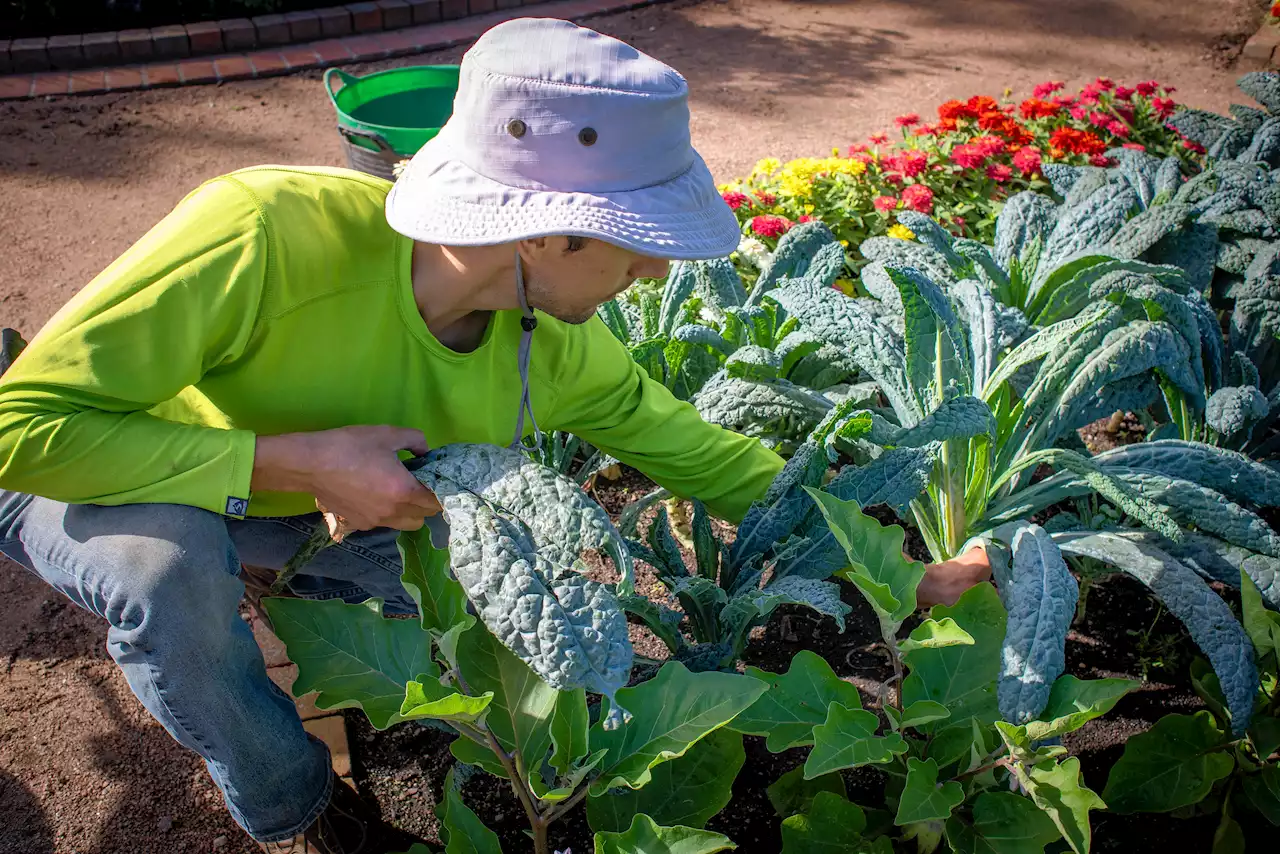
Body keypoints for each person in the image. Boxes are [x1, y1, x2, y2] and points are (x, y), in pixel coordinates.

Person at [0, 17, 987, 854]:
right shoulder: (266, 232)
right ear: (547, 235)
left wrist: (896, 569)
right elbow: (23, 427)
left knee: (474, 646)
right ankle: (295, 801)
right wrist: (296, 460)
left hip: (312, 514)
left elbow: (708, 454)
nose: (652, 278)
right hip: (108, 466)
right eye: (640, 248)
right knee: (164, 574)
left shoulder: (551, 346)